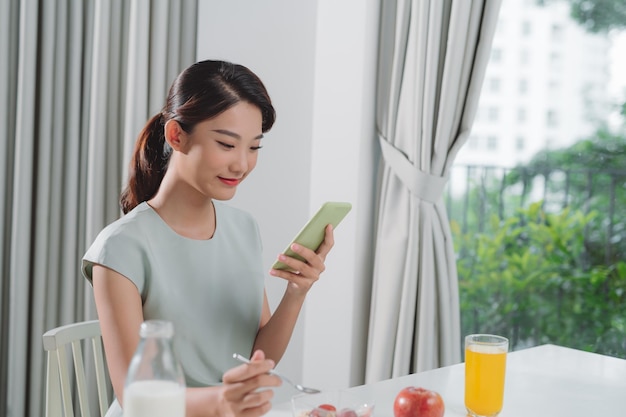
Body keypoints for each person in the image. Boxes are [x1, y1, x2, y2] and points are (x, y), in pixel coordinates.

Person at [82, 59, 335, 417]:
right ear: (176, 136)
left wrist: (296, 292)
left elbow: (259, 359)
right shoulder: (120, 247)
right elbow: (134, 398)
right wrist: (221, 402)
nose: (242, 165)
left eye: (254, 147)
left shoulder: (244, 229)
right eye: (227, 145)